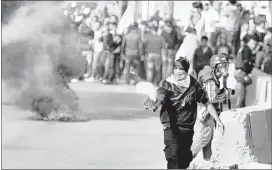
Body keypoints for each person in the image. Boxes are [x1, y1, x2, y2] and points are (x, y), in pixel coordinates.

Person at [144, 57, 225, 169]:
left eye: (180, 69)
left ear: (186, 71)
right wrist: (155, 104)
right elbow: (160, 96)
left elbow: (206, 102)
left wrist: (218, 120)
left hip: (187, 127)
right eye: (176, 68)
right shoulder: (167, 84)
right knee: (173, 156)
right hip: (171, 126)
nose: (177, 71)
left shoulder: (193, 84)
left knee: (184, 160)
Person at [191, 54, 229, 162]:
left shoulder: (212, 76)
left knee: (208, 140)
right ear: (216, 67)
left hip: (205, 112)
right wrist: (218, 120)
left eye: (225, 66)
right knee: (202, 139)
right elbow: (209, 102)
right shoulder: (210, 80)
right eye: (222, 66)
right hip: (205, 113)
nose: (225, 68)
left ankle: (207, 162)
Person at [234, 35, 257, 108]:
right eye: (252, 43)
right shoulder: (247, 49)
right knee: (241, 95)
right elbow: (246, 62)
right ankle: (238, 111)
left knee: (243, 93)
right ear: (248, 43)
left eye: (254, 44)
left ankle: (241, 108)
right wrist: (249, 72)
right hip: (241, 73)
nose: (253, 45)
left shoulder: (243, 48)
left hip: (239, 72)